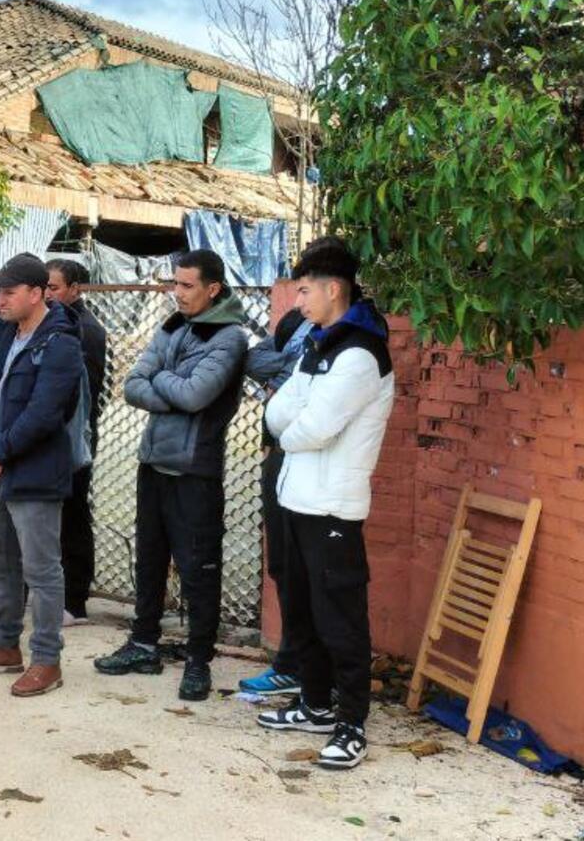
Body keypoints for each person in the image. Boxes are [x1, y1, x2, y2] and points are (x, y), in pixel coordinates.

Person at [255, 241, 394, 771]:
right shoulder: (318, 343)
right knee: (304, 609)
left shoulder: (360, 352)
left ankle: (352, 723)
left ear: (334, 288)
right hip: (295, 499)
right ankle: (314, 702)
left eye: (305, 288)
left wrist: (294, 426)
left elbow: (309, 428)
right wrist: (295, 424)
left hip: (332, 507)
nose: (298, 298)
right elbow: (280, 411)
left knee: (341, 618)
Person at [95, 249, 249, 702]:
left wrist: (163, 379)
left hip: (195, 469)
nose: (176, 293)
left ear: (212, 289)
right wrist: (171, 384)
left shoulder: (230, 337)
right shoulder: (171, 325)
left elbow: (196, 394)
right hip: (154, 462)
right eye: (174, 284)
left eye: (186, 286)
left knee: (198, 567)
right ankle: (143, 643)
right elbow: (130, 384)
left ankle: (199, 659)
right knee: (149, 558)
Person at [0, 253, 83, 698]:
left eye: (8, 292)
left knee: (41, 568)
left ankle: (47, 658)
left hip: (33, 473)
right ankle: (5, 643)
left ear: (36, 292)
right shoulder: (3, 334)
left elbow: (45, 414)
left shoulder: (60, 342)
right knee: (0, 561)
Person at [238, 253, 318, 697]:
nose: (298, 297)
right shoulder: (293, 324)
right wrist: (289, 372)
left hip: (309, 458)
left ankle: (310, 668)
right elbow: (255, 361)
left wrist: (286, 377)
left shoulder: (347, 335)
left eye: (305, 288)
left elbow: (313, 391)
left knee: (312, 567)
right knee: (283, 563)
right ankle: (290, 661)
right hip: (277, 452)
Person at [45, 258, 108, 624]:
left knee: (72, 515)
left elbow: (80, 394)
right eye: (46, 288)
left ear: (74, 289)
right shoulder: (49, 324)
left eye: (54, 288)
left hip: (74, 439)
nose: (49, 295)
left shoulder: (87, 330)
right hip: (49, 437)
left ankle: (75, 600)